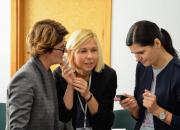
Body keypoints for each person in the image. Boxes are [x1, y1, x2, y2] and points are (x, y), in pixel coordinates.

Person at [116, 20, 180, 130]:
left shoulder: (177, 72)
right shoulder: (142, 67)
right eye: (134, 53)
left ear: (157, 43)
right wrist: (134, 107)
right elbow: (141, 117)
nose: (137, 59)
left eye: (141, 52)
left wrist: (157, 111)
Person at [6, 19, 68, 130]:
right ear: (45, 48)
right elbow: (17, 127)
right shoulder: (24, 78)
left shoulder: (47, 73)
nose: (65, 52)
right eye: (62, 48)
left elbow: (54, 121)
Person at [53, 29, 117, 130]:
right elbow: (63, 117)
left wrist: (88, 95)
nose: (90, 56)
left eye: (94, 50)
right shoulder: (59, 75)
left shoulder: (108, 75)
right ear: (70, 54)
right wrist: (70, 85)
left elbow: (106, 122)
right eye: (83, 51)